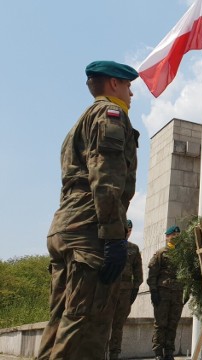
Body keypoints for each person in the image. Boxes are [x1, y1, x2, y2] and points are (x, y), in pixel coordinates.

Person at [37, 61, 139, 360]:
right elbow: (106, 178)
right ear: (113, 84)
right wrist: (113, 235)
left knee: (61, 321)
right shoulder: (110, 114)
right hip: (89, 229)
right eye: (128, 85)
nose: (131, 92)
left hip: (66, 227)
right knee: (86, 326)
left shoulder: (77, 125)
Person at [107, 219, 143, 359]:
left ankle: (114, 354)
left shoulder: (133, 248)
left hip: (125, 291)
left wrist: (134, 290)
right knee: (104, 323)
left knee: (118, 325)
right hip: (108, 289)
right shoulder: (109, 244)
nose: (127, 232)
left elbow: (138, 273)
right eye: (125, 229)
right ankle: (100, 352)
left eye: (129, 230)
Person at [148, 226, 185, 360]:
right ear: (167, 236)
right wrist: (153, 291)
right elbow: (152, 275)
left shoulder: (183, 255)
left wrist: (185, 294)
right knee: (160, 324)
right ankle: (158, 352)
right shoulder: (161, 253)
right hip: (162, 294)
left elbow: (186, 276)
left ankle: (169, 352)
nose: (176, 237)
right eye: (173, 234)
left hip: (177, 295)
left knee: (173, 324)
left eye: (177, 234)